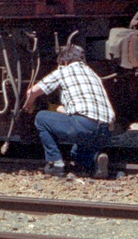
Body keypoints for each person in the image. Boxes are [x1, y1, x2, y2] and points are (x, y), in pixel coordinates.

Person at [23, 44, 114, 179]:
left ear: (64, 62)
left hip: (84, 125)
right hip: (106, 131)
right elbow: (77, 110)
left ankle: (56, 163)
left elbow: (32, 92)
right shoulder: (92, 73)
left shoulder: (63, 71)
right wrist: (55, 108)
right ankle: (92, 161)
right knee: (76, 153)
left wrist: (28, 107)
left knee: (41, 118)